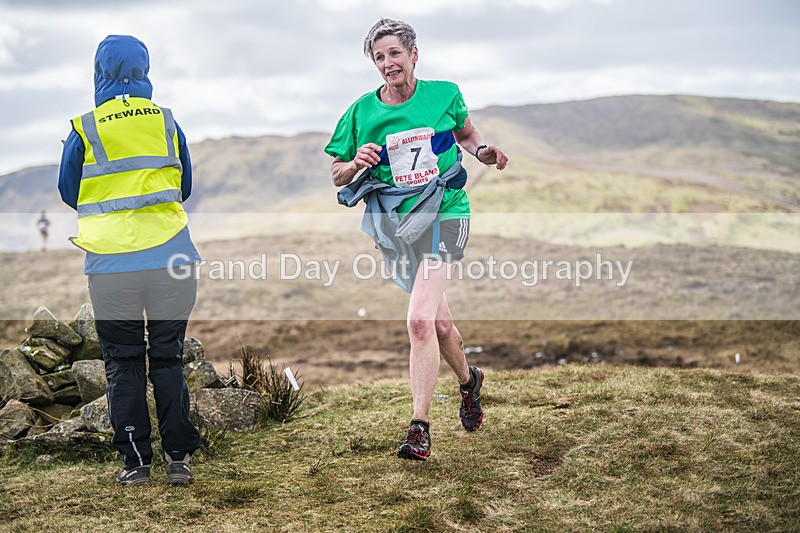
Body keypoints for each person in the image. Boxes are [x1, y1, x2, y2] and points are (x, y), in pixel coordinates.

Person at [326, 18, 508, 460]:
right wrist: (355, 163)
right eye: (379, 57)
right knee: (440, 324)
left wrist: (483, 151)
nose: (388, 63)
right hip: (398, 225)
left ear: (413, 55)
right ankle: (470, 382)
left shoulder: (444, 94)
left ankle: (419, 429)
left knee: (419, 321)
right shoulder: (360, 113)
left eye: (394, 54)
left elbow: (465, 134)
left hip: (446, 212)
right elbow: (336, 175)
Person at [58, 35, 201, 485]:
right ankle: (178, 458)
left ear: (98, 72)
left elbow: (68, 192)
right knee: (169, 358)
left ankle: (136, 462)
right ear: (145, 70)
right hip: (172, 257)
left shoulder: (86, 128)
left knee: (122, 363)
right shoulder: (167, 122)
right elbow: (186, 185)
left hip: (111, 264)